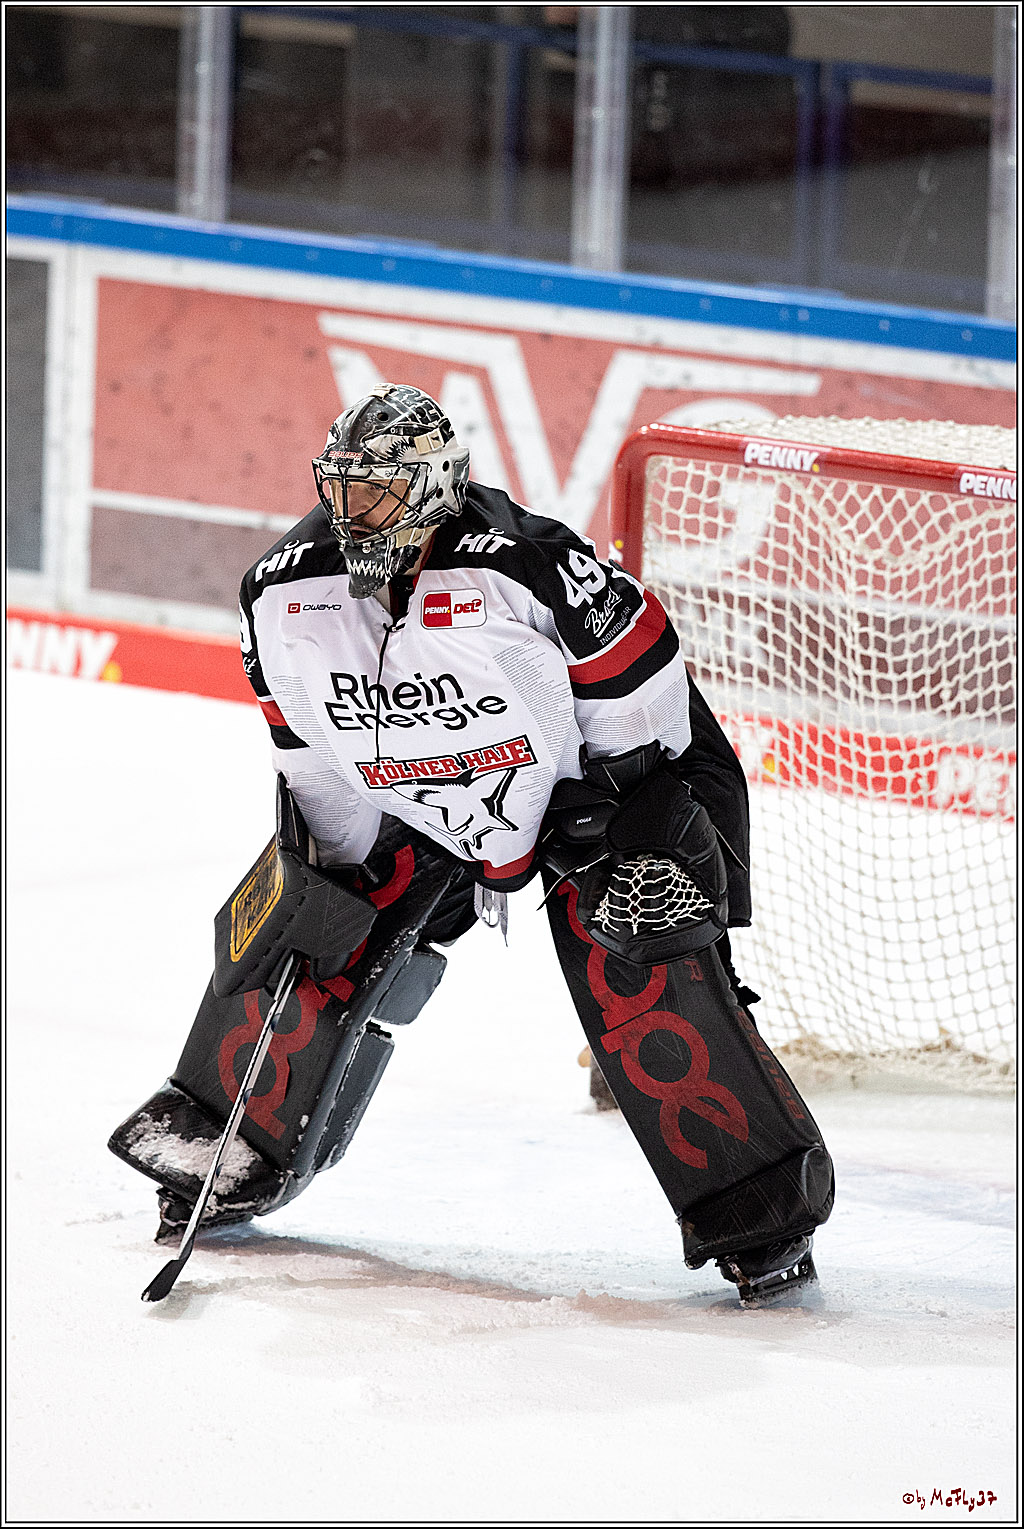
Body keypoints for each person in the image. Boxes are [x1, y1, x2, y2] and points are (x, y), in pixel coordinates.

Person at [110, 384, 833, 1305]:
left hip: (585, 779)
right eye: (338, 489)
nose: (346, 510)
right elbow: (312, 762)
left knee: (645, 955)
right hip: (412, 791)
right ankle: (223, 1145)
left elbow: (643, 693)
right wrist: (334, 883)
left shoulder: (527, 566)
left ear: (431, 486)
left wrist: (637, 827)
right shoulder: (282, 593)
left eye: (371, 492)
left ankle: (759, 1211)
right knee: (319, 920)